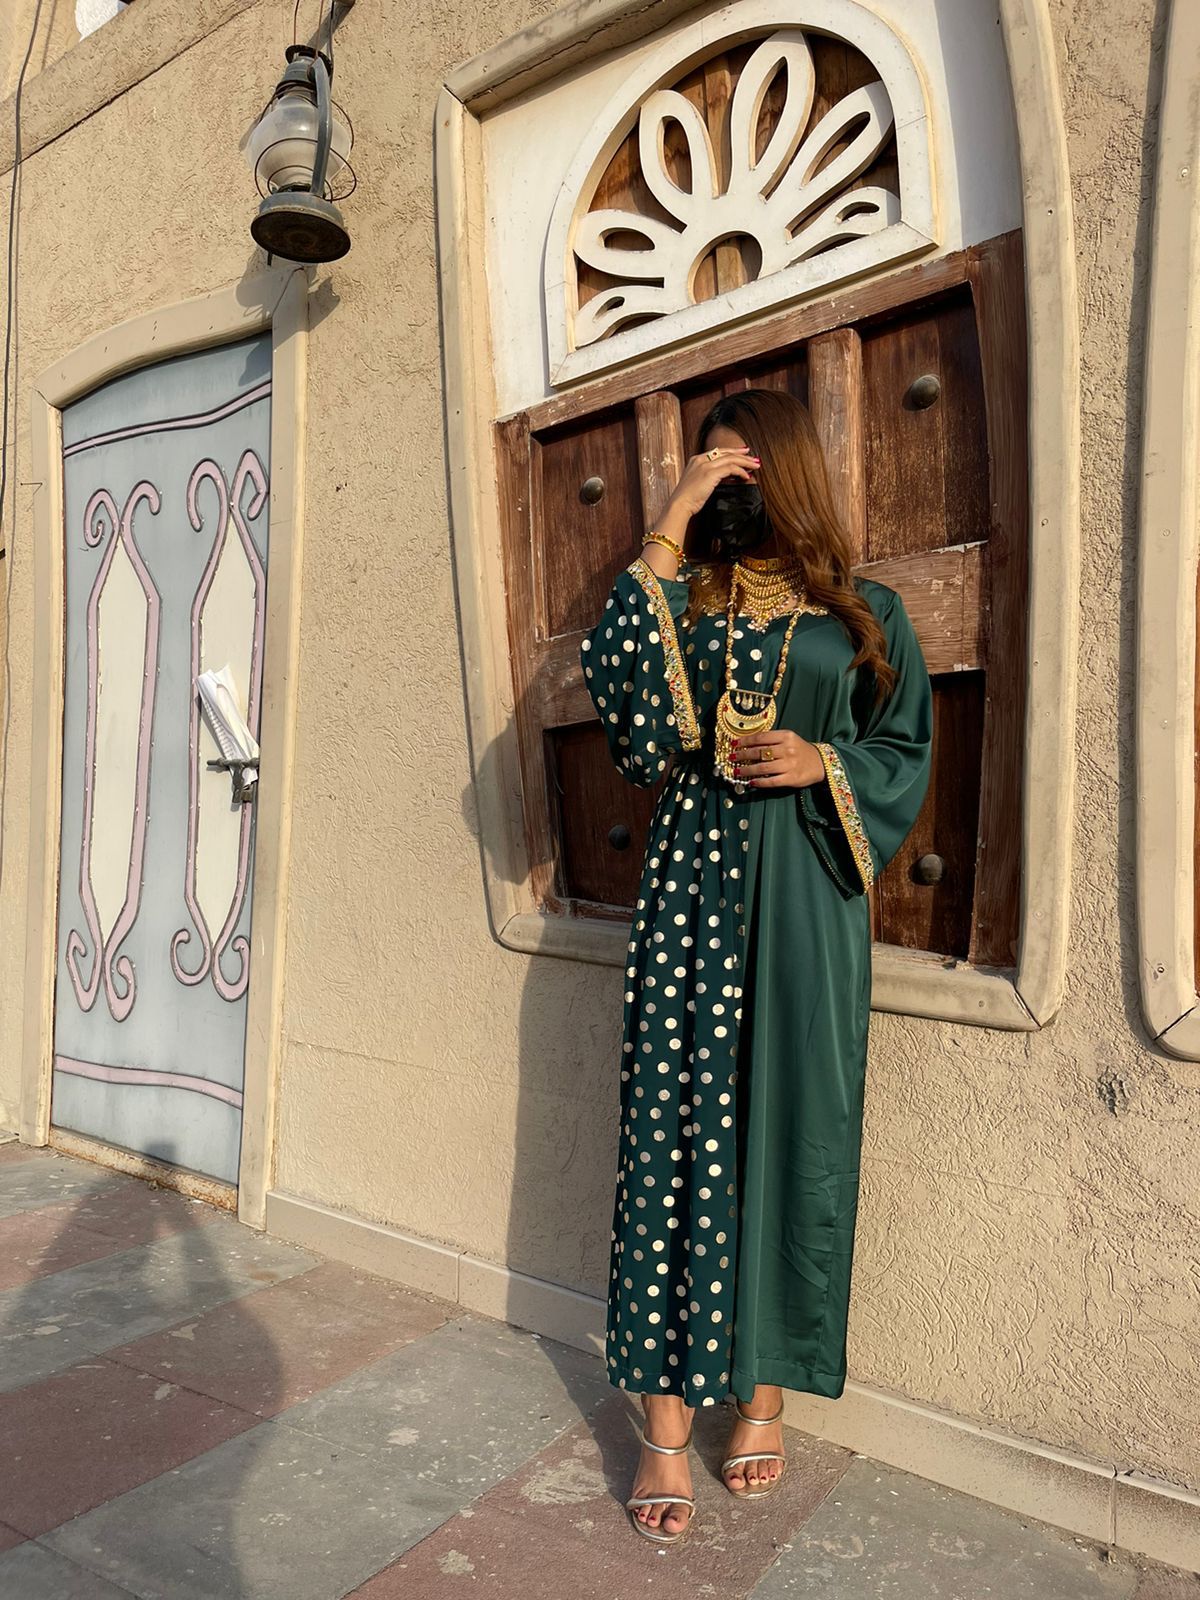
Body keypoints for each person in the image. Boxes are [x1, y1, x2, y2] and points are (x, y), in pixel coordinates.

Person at [579, 387, 934, 1545]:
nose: (733, 485)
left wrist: (817, 758)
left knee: (793, 1130)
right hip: (689, 902)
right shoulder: (679, 602)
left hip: (805, 902)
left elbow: (904, 750)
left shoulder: (864, 610)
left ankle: (765, 1392)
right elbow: (629, 711)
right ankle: (665, 1423)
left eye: (743, 468)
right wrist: (671, 513)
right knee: (672, 1138)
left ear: (786, 470)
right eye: (712, 468)